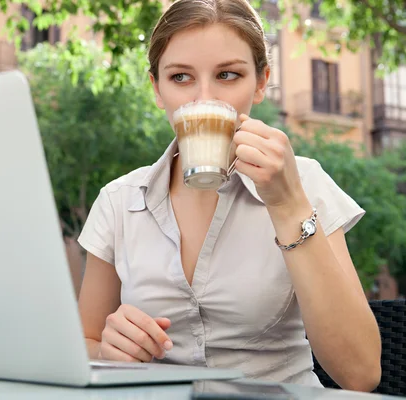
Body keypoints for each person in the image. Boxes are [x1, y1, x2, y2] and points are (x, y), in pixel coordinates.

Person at [76, 0, 382, 392]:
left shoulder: (303, 182)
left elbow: (360, 373)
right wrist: (107, 350)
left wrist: (287, 203)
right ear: (157, 89)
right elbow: (86, 344)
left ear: (260, 82)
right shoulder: (119, 202)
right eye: (181, 78)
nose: (205, 99)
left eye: (227, 74)